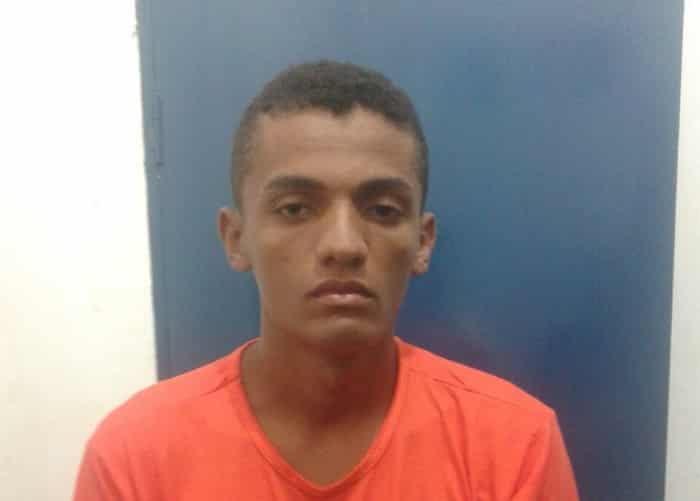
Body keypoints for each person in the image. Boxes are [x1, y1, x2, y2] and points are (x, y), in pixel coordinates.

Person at [73, 60, 579, 500]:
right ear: (236, 238)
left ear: (422, 242)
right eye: (295, 208)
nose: (343, 244)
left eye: (382, 209)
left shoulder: (514, 445)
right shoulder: (136, 455)